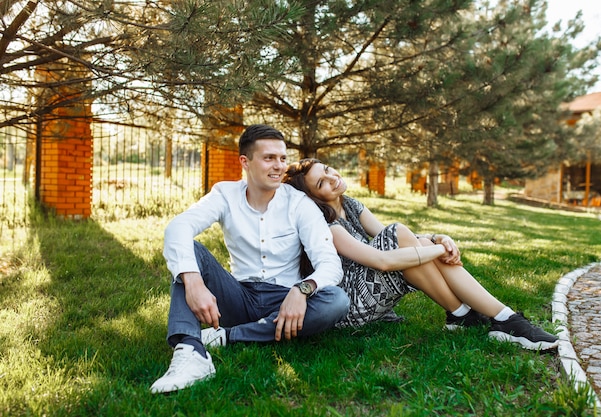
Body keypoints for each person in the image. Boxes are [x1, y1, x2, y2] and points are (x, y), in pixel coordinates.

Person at [283, 158, 559, 352]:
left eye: (328, 170)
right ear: (315, 197)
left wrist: (438, 238)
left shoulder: (350, 204)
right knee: (403, 237)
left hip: (372, 285)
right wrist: (436, 248)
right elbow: (383, 260)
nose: (332, 178)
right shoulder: (327, 226)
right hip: (351, 306)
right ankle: (499, 319)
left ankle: (468, 316)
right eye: (322, 182)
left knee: (406, 239)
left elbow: (391, 238)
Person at [150, 127, 350, 394]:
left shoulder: (300, 203)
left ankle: (228, 336)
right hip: (238, 296)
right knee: (190, 254)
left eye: (282, 158)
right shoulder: (225, 194)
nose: (278, 166)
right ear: (245, 161)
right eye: (269, 158)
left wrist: (302, 290)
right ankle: (191, 352)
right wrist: (194, 283)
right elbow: (178, 228)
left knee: (336, 300)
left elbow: (330, 263)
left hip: (285, 300)